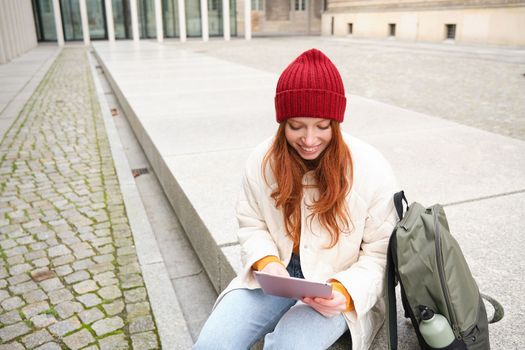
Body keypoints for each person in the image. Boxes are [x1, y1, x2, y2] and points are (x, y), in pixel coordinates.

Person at [194, 48, 398, 350]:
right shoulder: (263, 160)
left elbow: (381, 253)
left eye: (322, 126)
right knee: (212, 345)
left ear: (336, 122)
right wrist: (267, 261)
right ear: (282, 122)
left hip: (336, 283)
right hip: (276, 277)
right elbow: (252, 224)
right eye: (296, 126)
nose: (310, 139)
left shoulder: (370, 167)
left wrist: (345, 290)